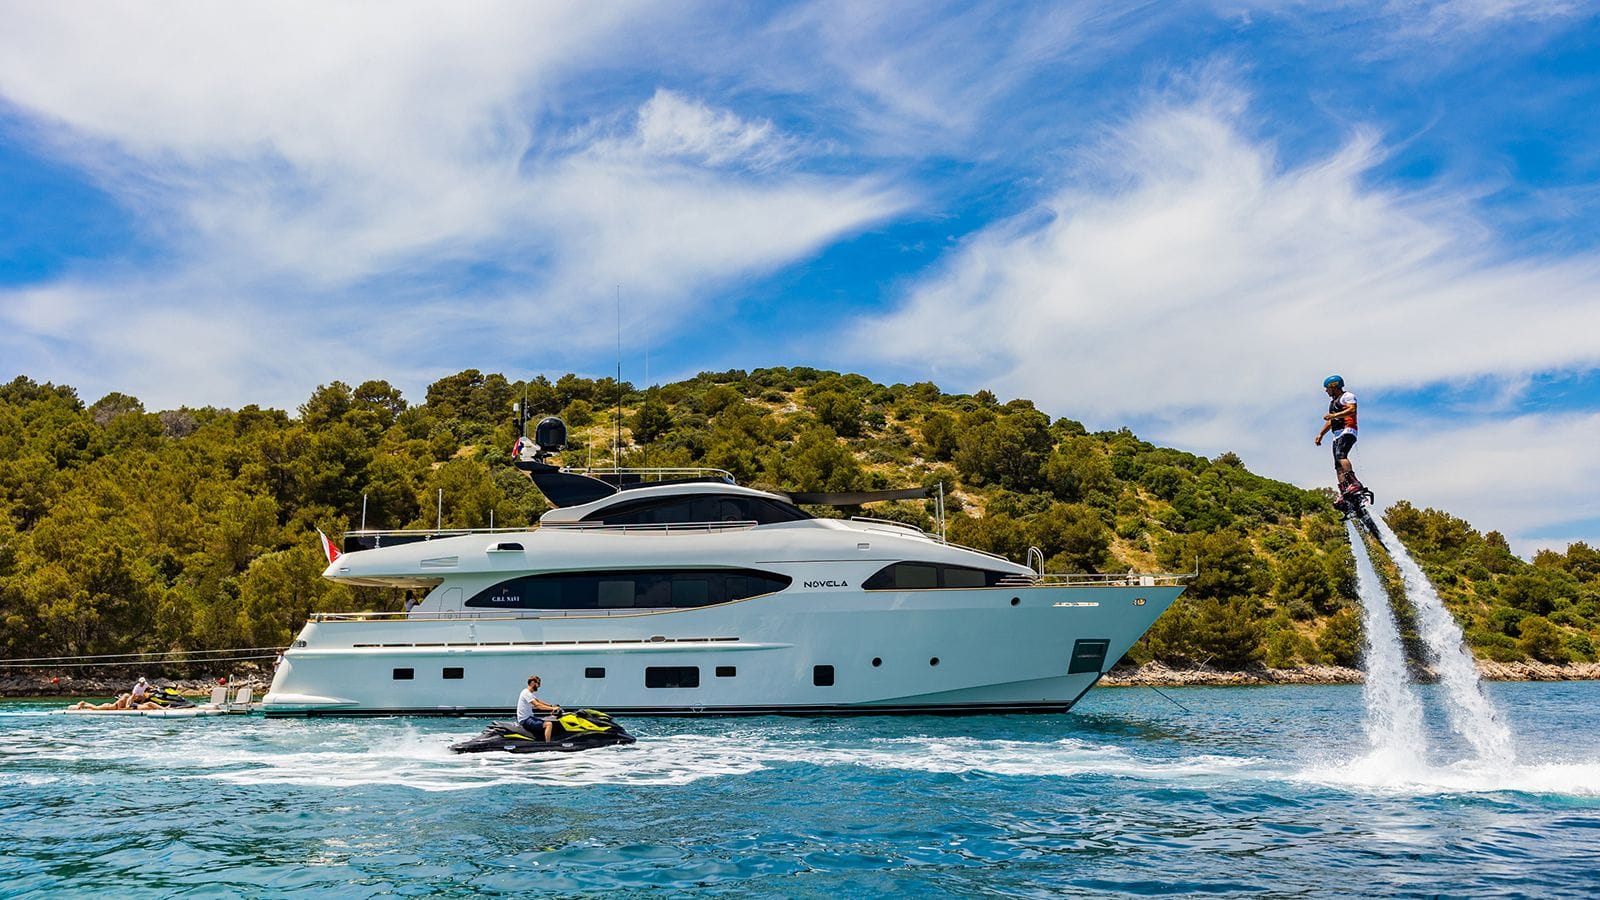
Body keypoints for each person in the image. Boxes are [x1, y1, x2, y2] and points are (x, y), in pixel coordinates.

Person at [1313, 374, 1366, 498]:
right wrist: (1321, 434)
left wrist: (1334, 415)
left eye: (1327, 388)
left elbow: (1352, 410)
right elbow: (1331, 422)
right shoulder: (1333, 403)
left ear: (1334, 386)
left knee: (1341, 455)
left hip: (1348, 430)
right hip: (1337, 434)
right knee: (1337, 465)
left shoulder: (1347, 396)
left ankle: (1354, 483)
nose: (1326, 391)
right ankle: (1344, 491)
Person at [516, 674, 561, 741]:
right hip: (525, 720)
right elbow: (538, 705)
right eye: (538, 683)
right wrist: (553, 709)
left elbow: (539, 701)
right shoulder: (526, 693)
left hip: (528, 718)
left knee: (546, 720)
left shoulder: (528, 693)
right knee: (548, 724)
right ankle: (548, 744)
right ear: (532, 683)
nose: (539, 686)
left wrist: (551, 706)